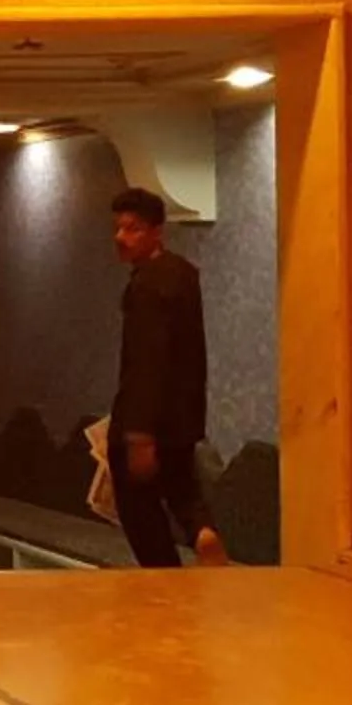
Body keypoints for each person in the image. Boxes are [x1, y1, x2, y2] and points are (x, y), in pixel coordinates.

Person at [108, 187, 228, 568]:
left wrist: (138, 433)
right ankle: (202, 532)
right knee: (182, 492)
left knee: (140, 515)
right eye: (118, 228)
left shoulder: (148, 287)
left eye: (132, 229)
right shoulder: (183, 276)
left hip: (145, 424)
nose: (120, 238)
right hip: (182, 422)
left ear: (157, 232)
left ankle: (165, 588)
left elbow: (147, 360)